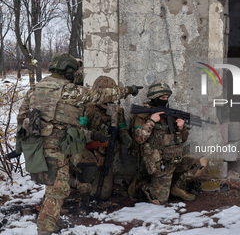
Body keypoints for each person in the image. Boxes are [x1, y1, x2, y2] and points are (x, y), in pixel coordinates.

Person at [16, 53, 140, 235]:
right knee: (59, 189)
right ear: (68, 71)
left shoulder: (35, 89)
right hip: (55, 147)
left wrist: (21, 142)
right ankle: (45, 229)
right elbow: (101, 95)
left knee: (54, 185)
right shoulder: (68, 90)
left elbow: (21, 116)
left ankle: (53, 221)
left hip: (38, 145)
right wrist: (129, 89)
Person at [131, 82, 207, 205]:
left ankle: (177, 187)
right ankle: (141, 185)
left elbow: (182, 140)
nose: (165, 100)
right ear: (154, 98)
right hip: (159, 162)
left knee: (201, 162)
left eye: (167, 97)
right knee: (160, 201)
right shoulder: (143, 114)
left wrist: (182, 128)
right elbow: (139, 138)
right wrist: (151, 121)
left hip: (175, 158)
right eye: (162, 98)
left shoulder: (169, 114)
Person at [69, 76, 132, 215]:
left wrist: (127, 139)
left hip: (104, 156)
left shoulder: (117, 111)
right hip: (86, 152)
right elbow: (79, 132)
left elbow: (122, 129)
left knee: (103, 195)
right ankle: (73, 183)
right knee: (86, 177)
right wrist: (95, 136)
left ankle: (82, 184)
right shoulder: (88, 109)